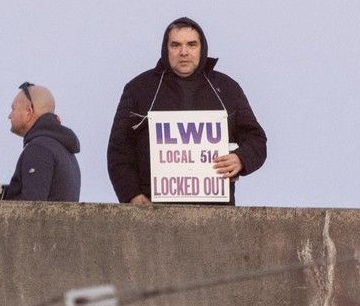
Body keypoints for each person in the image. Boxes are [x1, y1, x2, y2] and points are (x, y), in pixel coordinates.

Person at [107, 16, 267, 205]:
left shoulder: (227, 89)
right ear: (166, 49)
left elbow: (256, 140)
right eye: (176, 45)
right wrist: (131, 194)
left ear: (202, 48)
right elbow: (119, 150)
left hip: (216, 213)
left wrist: (241, 159)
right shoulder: (139, 89)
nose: (184, 52)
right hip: (153, 211)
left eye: (191, 44)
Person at [2, 82, 81, 202]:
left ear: (29, 112)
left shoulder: (39, 149)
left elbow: (31, 210)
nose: (9, 115)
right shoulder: (66, 152)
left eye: (13, 109)